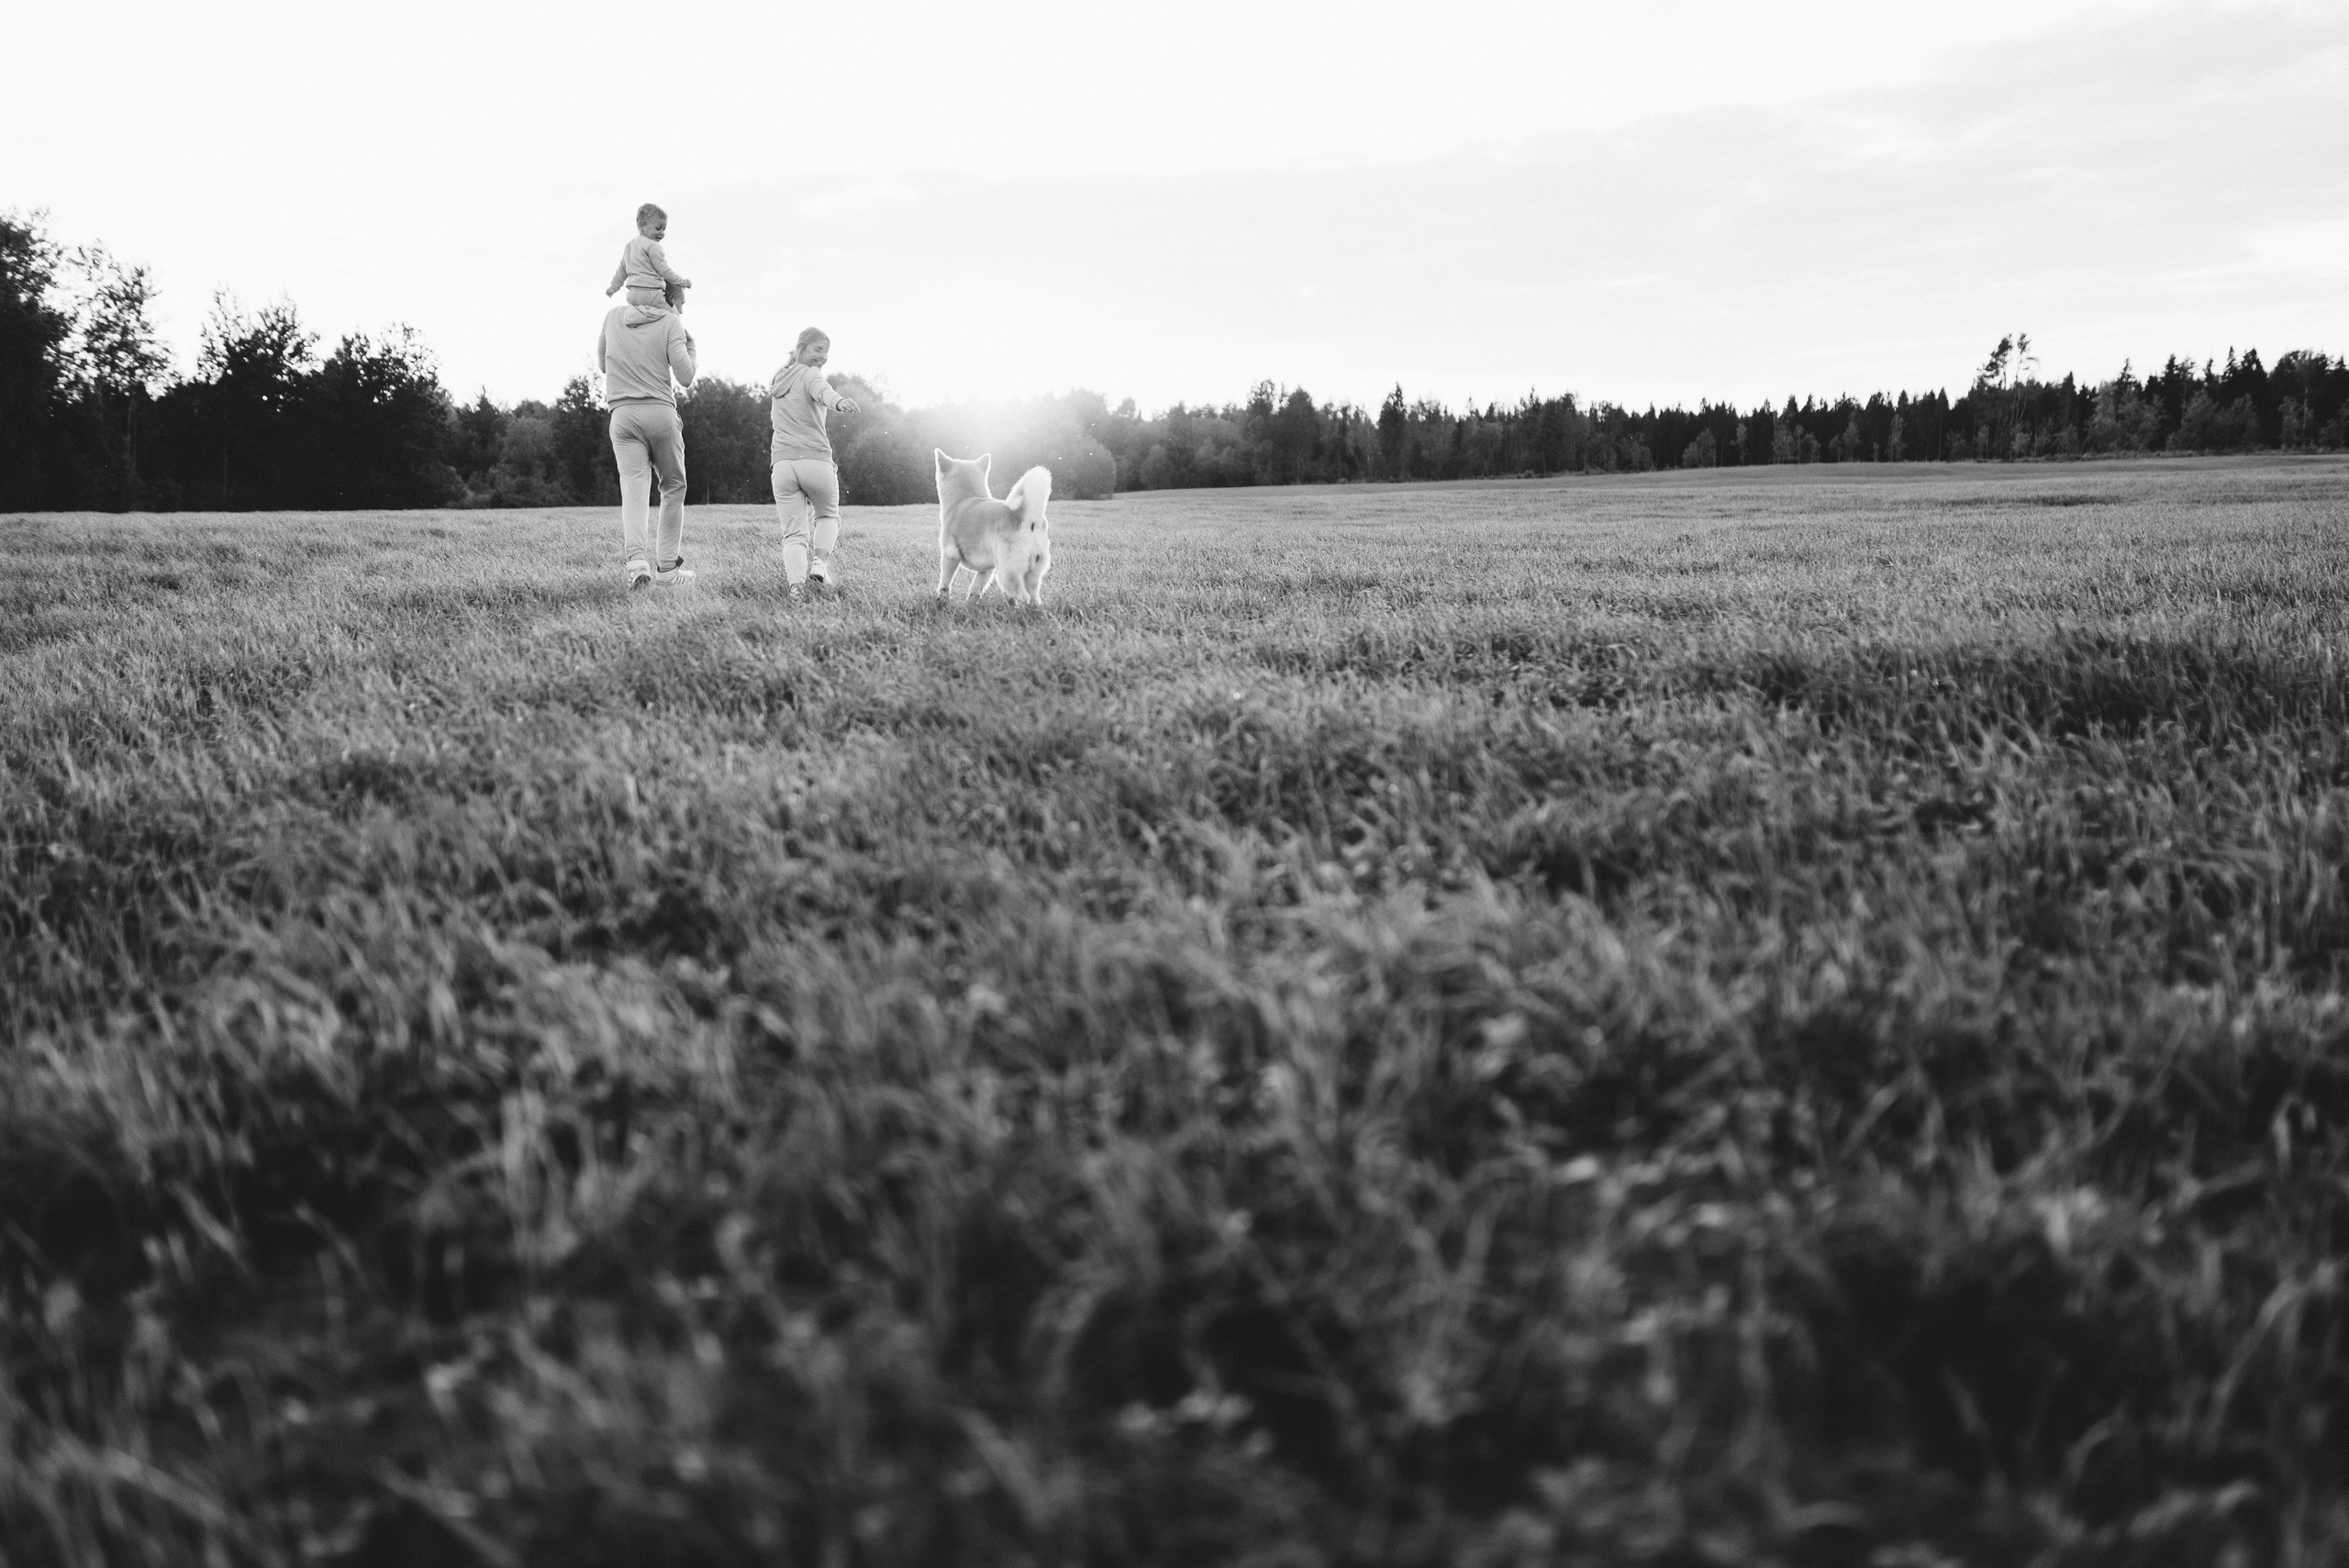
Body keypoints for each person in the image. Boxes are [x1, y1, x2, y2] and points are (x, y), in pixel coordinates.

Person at [596, 281, 697, 588]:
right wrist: (689, 347)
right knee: (673, 487)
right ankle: (667, 570)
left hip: (622, 416)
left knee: (634, 488)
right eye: (679, 302)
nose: (681, 309)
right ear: (666, 298)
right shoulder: (671, 322)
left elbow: (603, 364)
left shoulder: (613, 316)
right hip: (659, 414)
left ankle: (638, 563)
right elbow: (686, 377)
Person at [768, 327, 860, 601]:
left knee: (793, 534)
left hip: (783, 464)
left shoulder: (779, 378)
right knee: (828, 516)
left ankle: (796, 591)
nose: (824, 357)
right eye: (819, 349)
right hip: (814, 460)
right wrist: (840, 402)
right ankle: (819, 565)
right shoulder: (810, 374)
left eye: (827, 352)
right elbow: (823, 391)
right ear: (802, 347)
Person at [606, 203, 691, 311]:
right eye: (658, 228)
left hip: (633, 296)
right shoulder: (653, 246)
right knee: (673, 314)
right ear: (642, 225)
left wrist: (613, 288)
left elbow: (622, 271)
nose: (662, 233)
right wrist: (681, 282)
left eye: (664, 229)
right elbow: (663, 270)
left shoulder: (630, 245)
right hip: (652, 295)